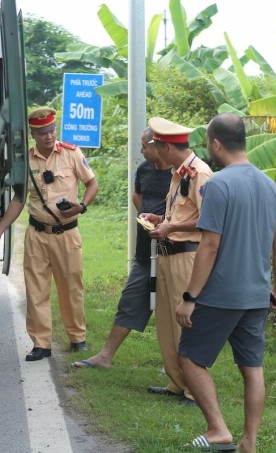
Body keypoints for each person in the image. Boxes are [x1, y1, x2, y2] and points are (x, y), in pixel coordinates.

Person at [175, 113, 276, 452]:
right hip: (257, 295)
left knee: (190, 358)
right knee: (252, 367)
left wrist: (190, 296)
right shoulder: (270, 185)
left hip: (221, 294)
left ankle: (218, 430)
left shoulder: (218, 185)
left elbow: (209, 246)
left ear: (216, 143)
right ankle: (249, 443)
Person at [0, 106, 99, 361]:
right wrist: (0, 229)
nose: (49, 136)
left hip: (67, 234)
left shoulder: (71, 154)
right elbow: (19, 199)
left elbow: (92, 183)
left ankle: (77, 337)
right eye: (43, 132)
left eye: (52, 130)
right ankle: (41, 343)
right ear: (33, 134)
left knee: (71, 288)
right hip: (37, 234)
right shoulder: (26, 161)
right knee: (36, 290)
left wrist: (83, 206)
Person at [70, 127, 172, 369]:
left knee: (172, 310)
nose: (141, 150)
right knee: (130, 300)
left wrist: (164, 220)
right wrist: (145, 214)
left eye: (144, 146)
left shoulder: (180, 173)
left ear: (157, 145)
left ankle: (176, 368)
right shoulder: (145, 169)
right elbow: (137, 195)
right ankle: (105, 356)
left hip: (171, 252)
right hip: (145, 251)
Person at [140, 117, 213, 407]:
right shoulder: (177, 172)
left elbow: (209, 219)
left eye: (157, 147)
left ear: (169, 148)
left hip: (187, 256)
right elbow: (181, 213)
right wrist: (162, 220)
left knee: (185, 323)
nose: (155, 153)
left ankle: (194, 391)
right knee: (167, 323)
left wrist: (172, 228)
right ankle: (176, 382)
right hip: (168, 255)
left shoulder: (200, 174)